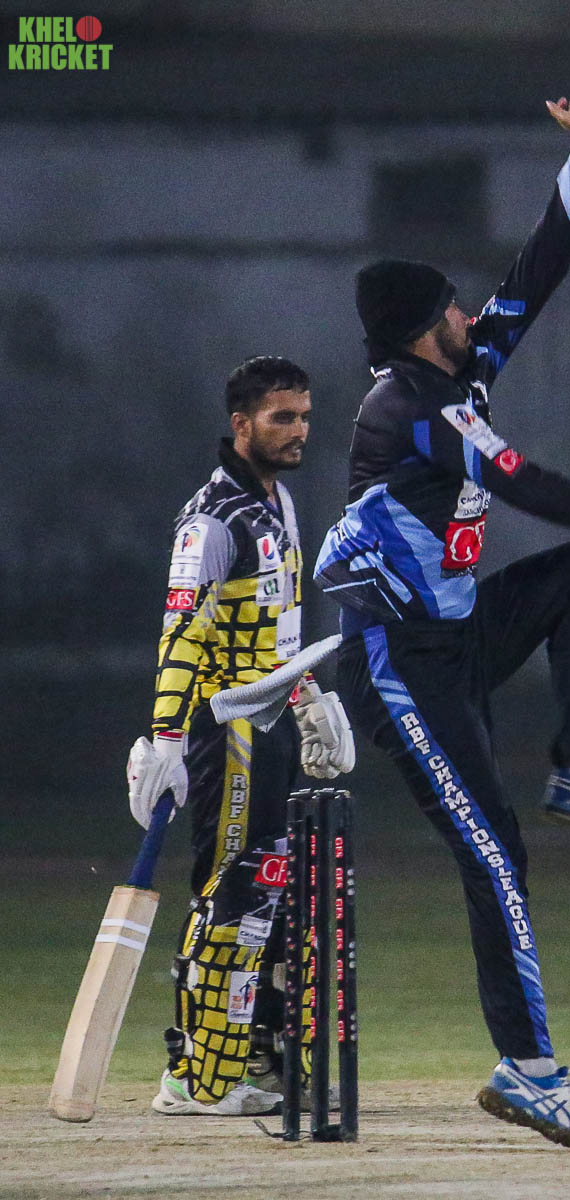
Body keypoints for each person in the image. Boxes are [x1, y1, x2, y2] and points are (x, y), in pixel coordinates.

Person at [314, 99, 570, 1152]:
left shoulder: (459, 370)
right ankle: (529, 1073)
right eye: (450, 305)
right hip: (399, 666)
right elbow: (518, 477)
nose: (467, 312)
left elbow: (536, 275)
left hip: (460, 634)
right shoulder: (409, 408)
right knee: (493, 856)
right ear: (419, 327)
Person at [126, 356, 354, 1116]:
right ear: (241, 424)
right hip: (225, 731)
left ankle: (245, 1062)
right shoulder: (212, 519)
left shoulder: (278, 502)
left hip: (273, 723)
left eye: (305, 416)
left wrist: (309, 696)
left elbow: (276, 628)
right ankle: (196, 1078)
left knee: (268, 894)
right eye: (282, 417)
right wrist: (165, 737)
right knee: (231, 893)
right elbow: (181, 634)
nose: (299, 431)